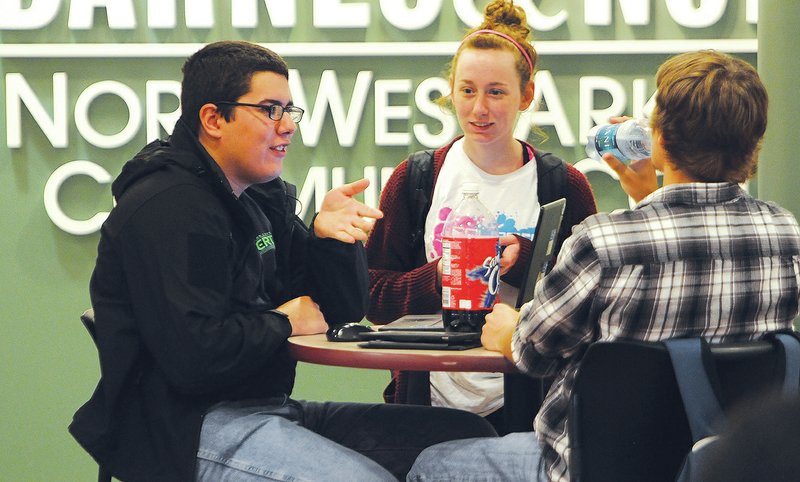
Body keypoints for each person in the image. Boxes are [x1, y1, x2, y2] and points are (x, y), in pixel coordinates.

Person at [68, 40, 497, 482]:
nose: (288, 126)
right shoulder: (170, 207)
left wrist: (330, 239)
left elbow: (342, 312)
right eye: (270, 109)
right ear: (213, 118)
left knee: (463, 439)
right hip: (184, 429)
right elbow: (194, 358)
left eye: (290, 110)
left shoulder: (257, 196)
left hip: (267, 408)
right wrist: (284, 322)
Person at [407, 49, 800, 482]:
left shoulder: (606, 241)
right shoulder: (784, 234)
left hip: (590, 468)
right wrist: (646, 197)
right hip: (722, 467)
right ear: (754, 144)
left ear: (660, 141)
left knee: (431, 462)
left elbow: (532, 351)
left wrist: (506, 331)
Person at [365, 0, 597, 433]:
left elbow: (590, 308)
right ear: (450, 90)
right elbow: (373, 295)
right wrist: (439, 276)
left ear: (526, 96)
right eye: (467, 90)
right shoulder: (416, 179)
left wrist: (523, 260)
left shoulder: (562, 186)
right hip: (426, 400)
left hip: (533, 408)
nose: (479, 109)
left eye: (496, 91)